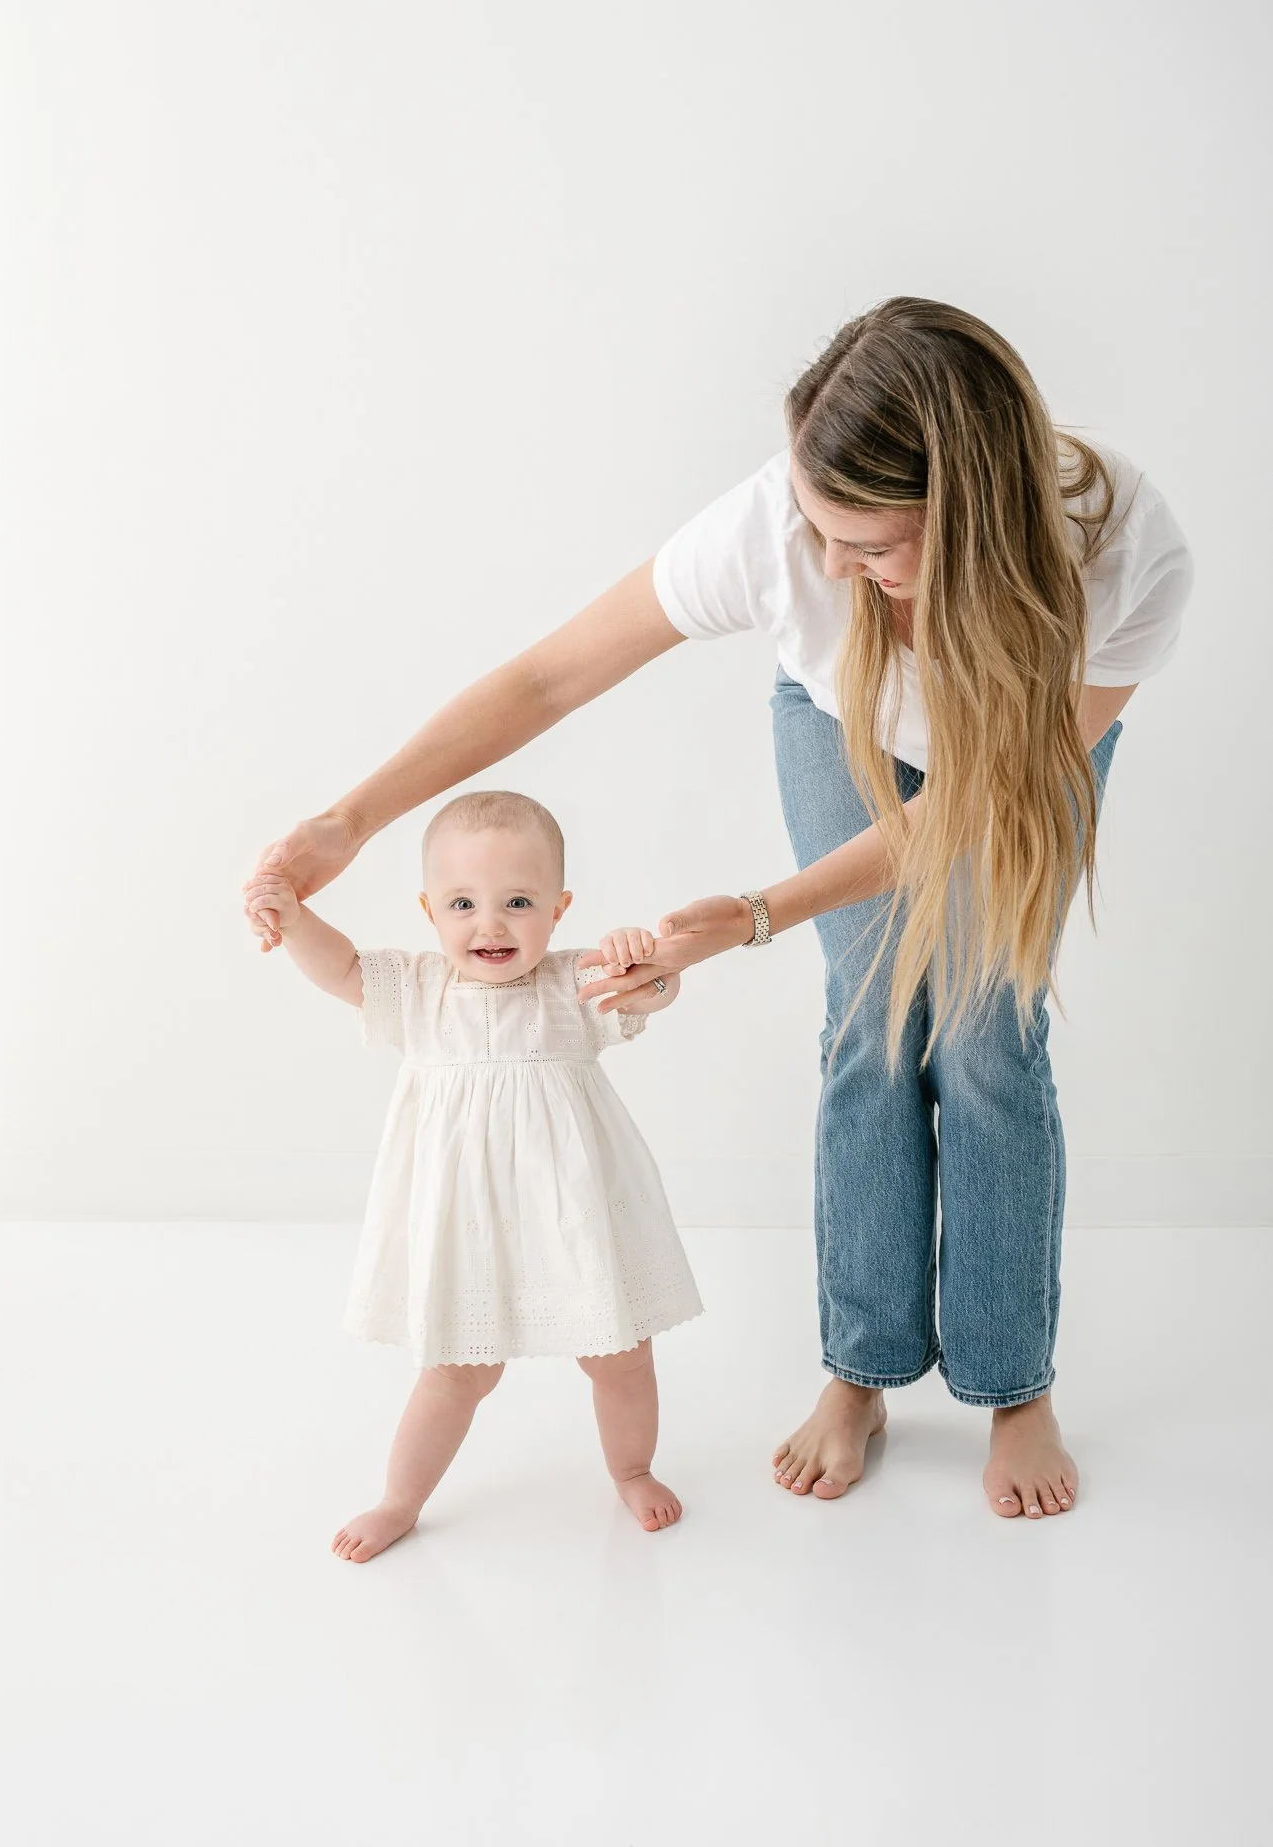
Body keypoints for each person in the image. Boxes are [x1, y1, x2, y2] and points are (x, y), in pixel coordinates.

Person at [244, 297, 1193, 1522]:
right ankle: (860, 1370)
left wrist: (752, 912)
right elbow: (549, 674)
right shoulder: (776, 530)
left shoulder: (1122, 553)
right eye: (818, 531)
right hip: (835, 715)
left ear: (972, 516)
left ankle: (1014, 1386)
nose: (832, 564)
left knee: (986, 1030)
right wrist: (350, 817)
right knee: (867, 1022)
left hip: (1011, 754)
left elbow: (975, 808)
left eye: (874, 547)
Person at [244, 789, 701, 1560]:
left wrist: (647, 963)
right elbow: (340, 968)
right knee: (456, 1370)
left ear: (557, 910)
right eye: (462, 903)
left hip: (575, 1213)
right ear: (429, 912)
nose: (488, 924)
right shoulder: (419, 990)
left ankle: (631, 1467)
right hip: (466, 1221)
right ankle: (399, 1499)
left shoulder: (571, 981)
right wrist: (291, 917)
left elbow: (651, 994)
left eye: (516, 901)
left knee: (621, 1355)